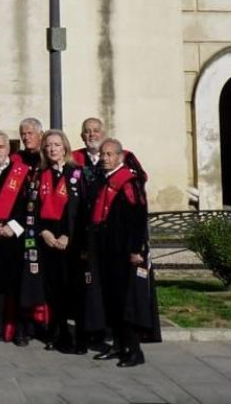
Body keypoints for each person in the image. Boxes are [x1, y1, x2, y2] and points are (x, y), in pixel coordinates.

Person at [89, 139, 161, 367]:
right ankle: (118, 345)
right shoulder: (103, 178)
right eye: (103, 154)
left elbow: (138, 216)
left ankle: (134, 350)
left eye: (110, 154)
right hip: (107, 249)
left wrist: (136, 249)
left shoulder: (129, 181)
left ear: (120, 156)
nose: (105, 158)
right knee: (111, 300)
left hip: (124, 251)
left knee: (125, 301)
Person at [0, 130, 34, 347]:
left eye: (1, 147)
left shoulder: (23, 173)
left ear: (8, 149)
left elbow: (29, 204)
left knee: (17, 285)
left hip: (15, 237)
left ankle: (21, 330)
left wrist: (13, 226)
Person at [32, 130, 83, 353]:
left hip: (70, 242)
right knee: (52, 291)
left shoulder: (77, 174)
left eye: (56, 145)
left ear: (65, 148)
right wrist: (43, 232)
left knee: (72, 290)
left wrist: (68, 236)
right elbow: (32, 209)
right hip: (48, 240)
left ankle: (76, 336)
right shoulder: (40, 175)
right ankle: (57, 332)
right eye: (48, 146)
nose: (52, 149)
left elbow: (81, 211)